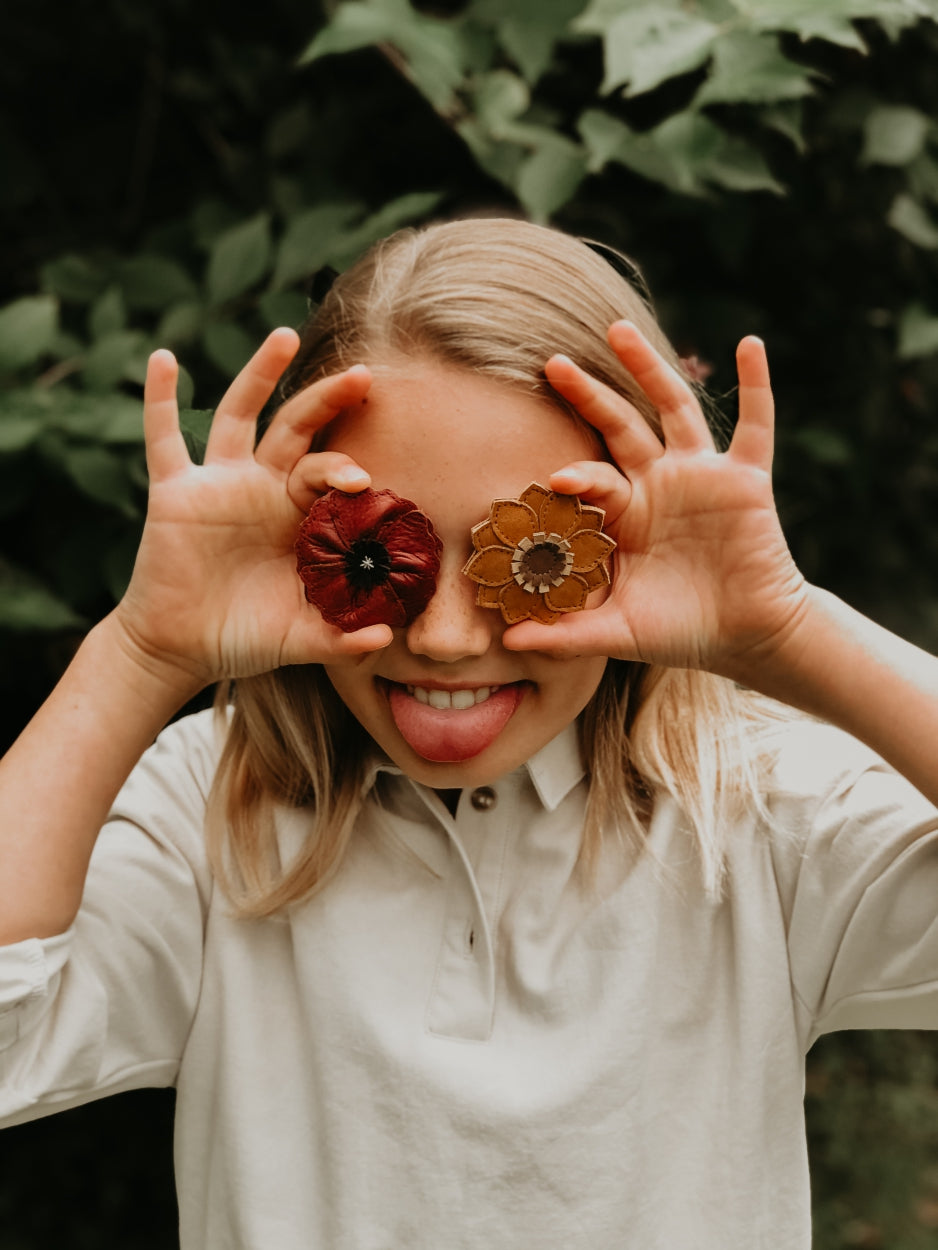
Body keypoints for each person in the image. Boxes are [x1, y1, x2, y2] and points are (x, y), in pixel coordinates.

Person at [2, 216, 938, 1249]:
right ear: (297, 537)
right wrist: (142, 652)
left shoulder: (760, 809)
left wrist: (787, 629)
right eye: (375, 552)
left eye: (535, 557)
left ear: (629, 544)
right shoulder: (211, 809)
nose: (446, 639)